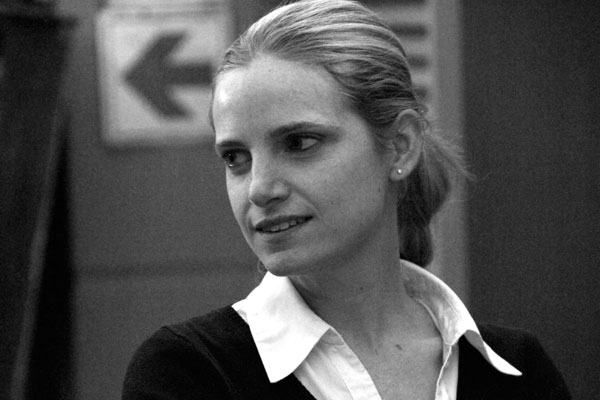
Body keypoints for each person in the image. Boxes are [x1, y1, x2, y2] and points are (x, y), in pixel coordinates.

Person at [122, 1, 571, 399]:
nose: (259, 188)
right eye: (235, 158)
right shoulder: (189, 374)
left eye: (299, 142)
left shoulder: (519, 373)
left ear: (400, 147)